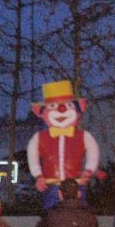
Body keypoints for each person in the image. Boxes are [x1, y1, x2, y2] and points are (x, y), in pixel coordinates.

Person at [26, 80, 99, 209]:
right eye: (53, 106)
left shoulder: (83, 136)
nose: (61, 109)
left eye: (68, 105)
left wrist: (88, 170)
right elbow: (33, 158)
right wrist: (38, 176)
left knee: (77, 214)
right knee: (52, 216)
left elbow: (93, 152)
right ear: (41, 112)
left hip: (76, 185)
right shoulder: (39, 138)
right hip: (51, 186)